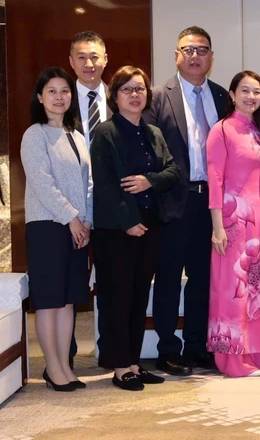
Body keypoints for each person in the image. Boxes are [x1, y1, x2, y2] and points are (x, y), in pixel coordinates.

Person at [143, 26, 228, 376]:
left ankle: (196, 346)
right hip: (172, 201)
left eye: (202, 49)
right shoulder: (157, 96)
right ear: (176, 54)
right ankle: (167, 349)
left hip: (211, 203)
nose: (195, 56)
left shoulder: (223, 97)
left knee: (203, 279)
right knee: (167, 279)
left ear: (211, 57)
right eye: (188, 49)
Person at [91, 66, 179, 391]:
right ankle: (119, 367)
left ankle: (133, 362)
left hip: (150, 225)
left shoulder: (153, 133)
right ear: (115, 96)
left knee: (140, 296)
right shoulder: (105, 133)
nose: (134, 94)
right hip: (116, 231)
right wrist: (128, 222)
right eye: (127, 89)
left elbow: (173, 171)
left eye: (140, 89)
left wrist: (148, 181)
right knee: (117, 298)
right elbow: (105, 184)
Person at [20, 67, 91, 391]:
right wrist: (72, 217)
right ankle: (52, 367)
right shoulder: (34, 135)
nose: (60, 97)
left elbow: (87, 184)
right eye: (52, 91)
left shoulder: (76, 136)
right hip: (47, 226)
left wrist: (86, 220)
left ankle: (63, 366)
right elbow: (43, 184)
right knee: (49, 301)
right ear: (40, 97)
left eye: (65, 91)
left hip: (76, 228)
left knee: (67, 301)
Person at [206, 71, 260, 377]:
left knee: (256, 291)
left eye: (256, 92)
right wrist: (217, 226)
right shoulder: (221, 130)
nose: (251, 97)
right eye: (244, 91)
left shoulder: (259, 130)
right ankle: (232, 360)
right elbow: (215, 180)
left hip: (258, 223)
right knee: (233, 289)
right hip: (232, 222)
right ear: (231, 95)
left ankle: (256, 356)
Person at [68, 30, 111, 368]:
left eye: (95, 56)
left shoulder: (123, 97)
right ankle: (64, 355)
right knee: (70, 279)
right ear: (71, 62)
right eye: (81, 57)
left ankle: (109, 350)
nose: (89, 63)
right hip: (73, 207)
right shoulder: (59, 101)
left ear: (105, 59)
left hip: (112, 207)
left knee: (112, 280)